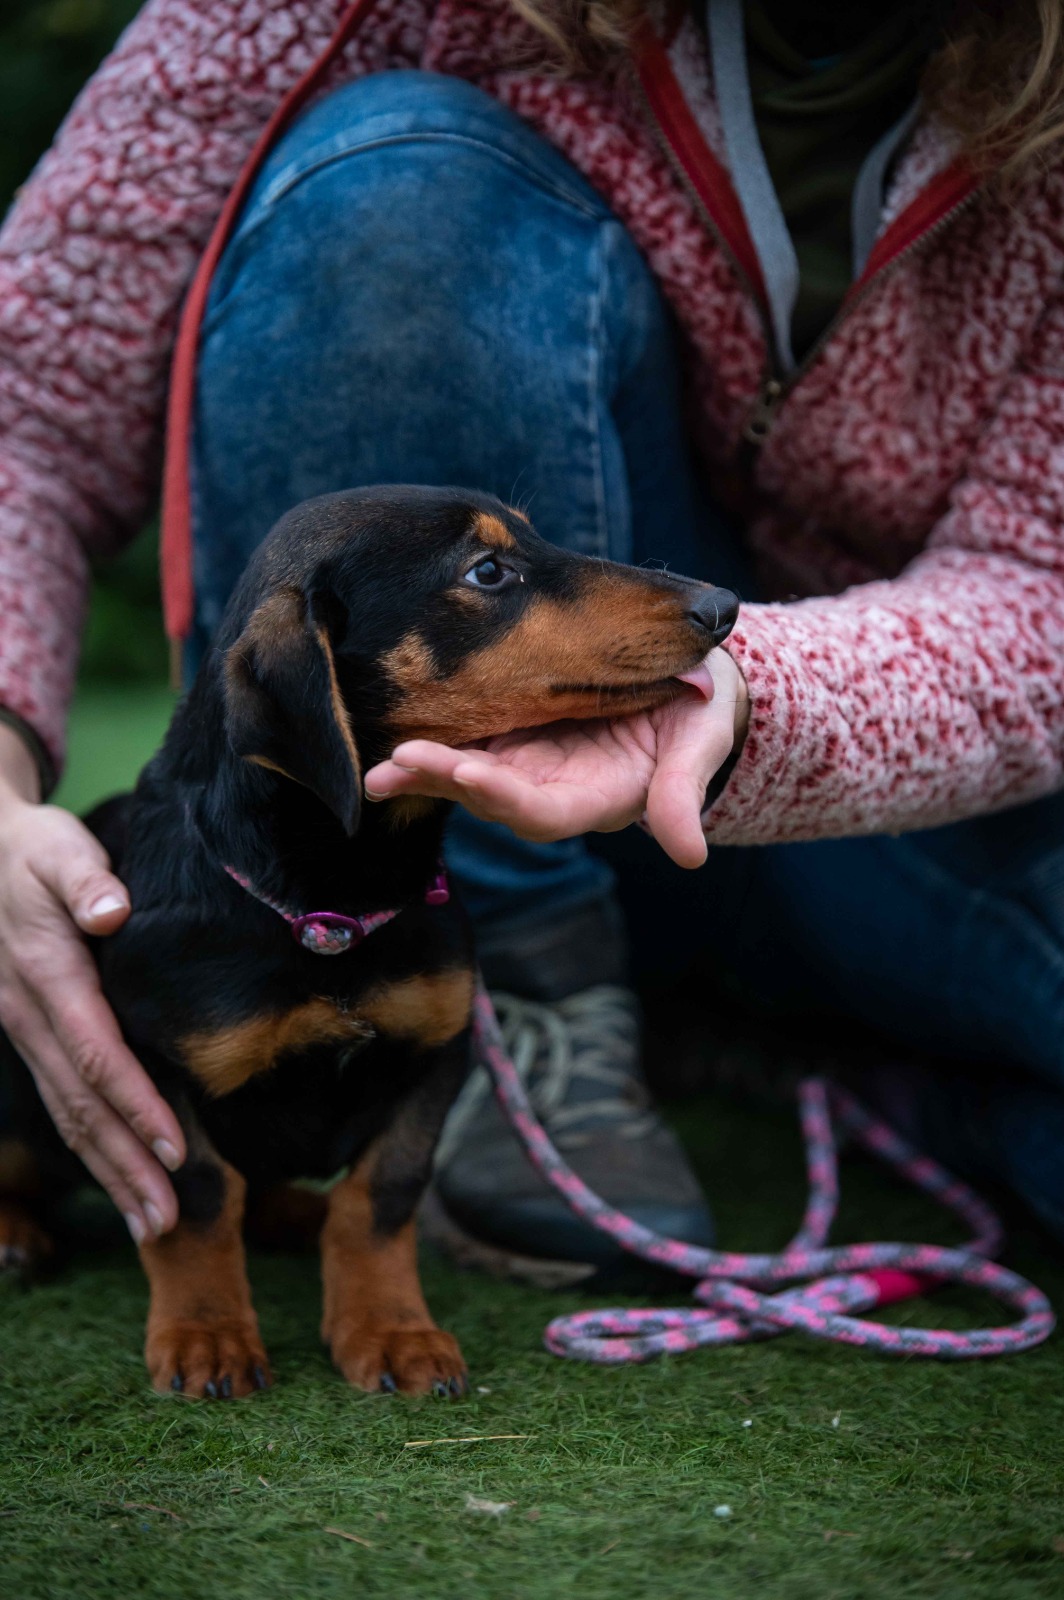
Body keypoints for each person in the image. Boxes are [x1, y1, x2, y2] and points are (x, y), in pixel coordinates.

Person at [1, 0, 1063, 1274]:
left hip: (900, 795)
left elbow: (1041, 582)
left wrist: (754, 695)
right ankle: (527, 997)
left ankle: (857, 1078)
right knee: (394, 181)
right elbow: (24, 401)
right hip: (416, 844)